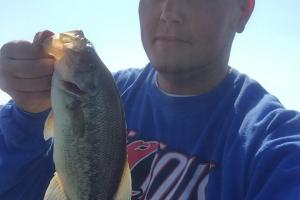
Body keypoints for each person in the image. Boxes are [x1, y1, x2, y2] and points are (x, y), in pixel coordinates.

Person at [0, 0, 300, 199]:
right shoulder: (104, 93)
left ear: (244, 10)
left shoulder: (272, 145)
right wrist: (27, 114)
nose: (169, 11)